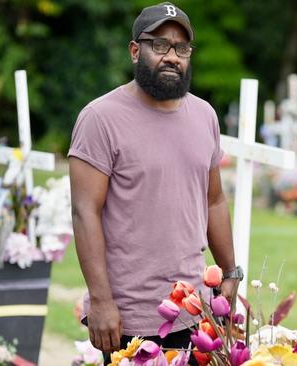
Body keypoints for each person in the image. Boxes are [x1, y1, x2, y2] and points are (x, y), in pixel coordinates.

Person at [67, 1, 242, 359]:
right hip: (127, 318)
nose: (172, 57)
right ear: (135, 50)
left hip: (194, 312)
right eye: (159, 45)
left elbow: (214, 200)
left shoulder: (205, 115)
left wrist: (230, 272)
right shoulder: (100, 118)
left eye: (181, 48)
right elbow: (85, 212)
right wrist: (101, 301)